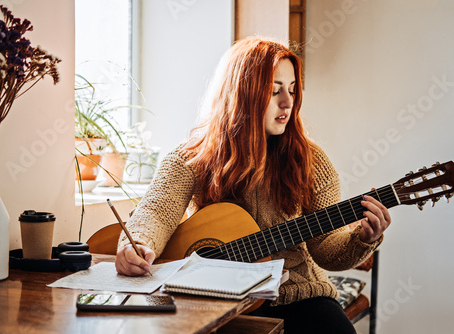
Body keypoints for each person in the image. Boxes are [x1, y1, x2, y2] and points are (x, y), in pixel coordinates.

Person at [115, 37, 391, 333]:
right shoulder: (190, 158)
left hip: (294, 296)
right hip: (211, 296)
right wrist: (138, 245)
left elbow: (325, 248)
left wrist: (363, 238)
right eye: (274, 91)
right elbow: (156, 212)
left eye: (293, 90)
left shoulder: (312, 161)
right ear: (242, 93)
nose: (288, 102)